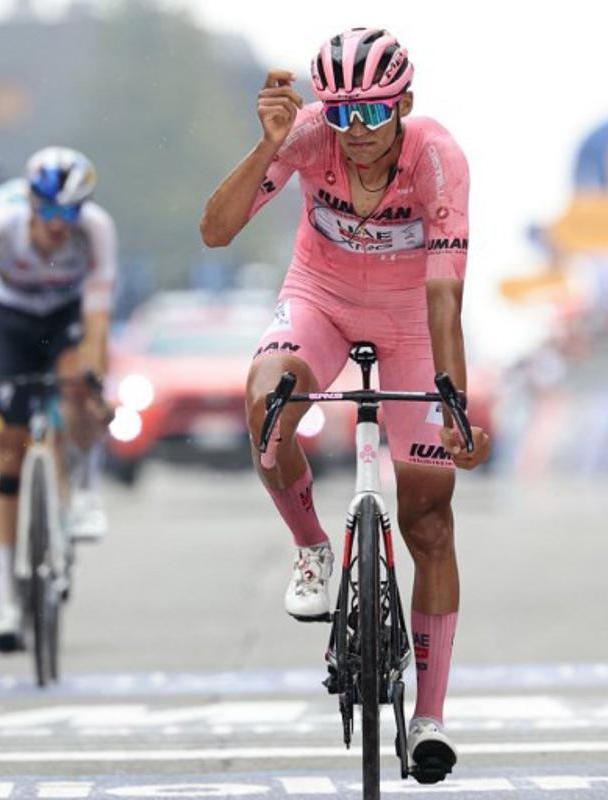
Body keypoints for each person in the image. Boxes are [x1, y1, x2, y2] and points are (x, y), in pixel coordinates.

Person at [200, 28, 491, 784]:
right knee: (266, 406)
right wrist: (268, 146)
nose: (355, 134)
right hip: (320, 304)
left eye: (373, 115)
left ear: (406, 105)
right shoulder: (306, 138)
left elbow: (443, 294)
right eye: (341, 115)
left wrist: (451, 402)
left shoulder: (437, 159)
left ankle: (430, 718)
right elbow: (217, 230)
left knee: (429, 515)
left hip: (409, 326)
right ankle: (313, 546)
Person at [0, 147, 116, 652]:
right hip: (9, 322)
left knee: (78, 385)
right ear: (31, 203)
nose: (61, 224)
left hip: (64, 319)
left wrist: (95, 382)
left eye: (71, 212)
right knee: (10, 454)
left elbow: (98, 320)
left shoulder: (96, 231)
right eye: (50, 211)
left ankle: (82, 490)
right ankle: (7, 603)